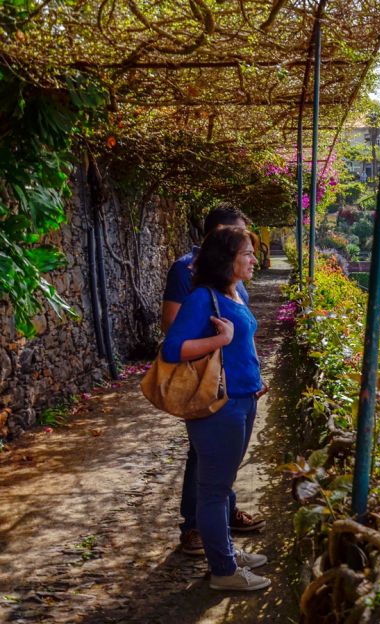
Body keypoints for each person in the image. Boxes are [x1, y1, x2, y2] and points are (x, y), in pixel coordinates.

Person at [162, 226, 270, 591]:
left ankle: (224, 554)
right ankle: (224, 572)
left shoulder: (236, 291)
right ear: (227, 259)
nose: (255, 259)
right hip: (218, 406)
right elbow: (172, 349)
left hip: (243, 399)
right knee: (213, 491)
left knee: (223, 488)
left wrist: (256, 378)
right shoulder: (202, 298)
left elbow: (245, 342)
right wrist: (220, 339)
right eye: (247, 254)